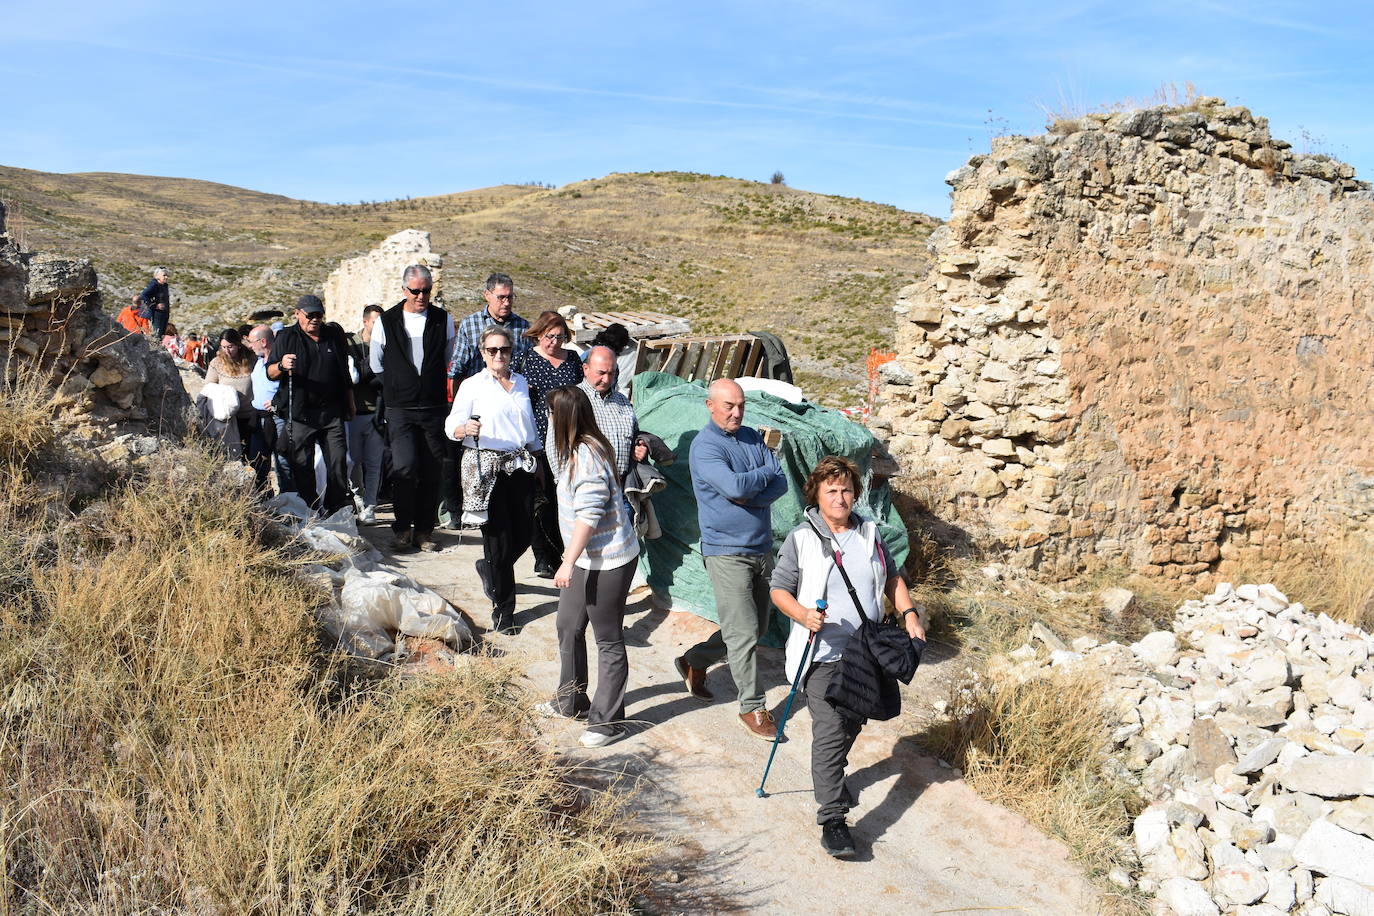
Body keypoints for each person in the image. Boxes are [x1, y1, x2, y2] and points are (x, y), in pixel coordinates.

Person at [770, 456, 926, 858]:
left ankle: (832, 779)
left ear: (856, 493)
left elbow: (892, 578)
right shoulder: (801, 539)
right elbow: (778, 589)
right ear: (816, 495)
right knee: (829, 731)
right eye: (831, 490)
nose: (840, 498)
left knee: (851, 723)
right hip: (820, 654)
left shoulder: (870, 533)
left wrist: (909, 613)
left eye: (846, 490)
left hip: (865, 651)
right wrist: (802, 614)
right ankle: (833, 819)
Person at [676, 378, 787, 740]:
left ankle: (695, 660)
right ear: (710, 406)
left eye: (741, 405)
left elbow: (780, 483)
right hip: (726, 552)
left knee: (756, 627)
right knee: (742, 632)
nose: (737, 413)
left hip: (760, 547)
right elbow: (738, 486)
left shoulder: (753, 437)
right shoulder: (705, 447)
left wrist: (749, 494)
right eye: (729, 406)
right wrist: (764, 473)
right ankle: (752, 706)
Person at [535, 386, 638, 747]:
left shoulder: (587, 456)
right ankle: (571, 700)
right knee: (568, 625)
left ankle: (608, 722)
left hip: (609, 560)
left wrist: (566, 563)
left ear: (563, 417)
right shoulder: (573, 449)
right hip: (585, 558)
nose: (547, 418)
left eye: (550, 413)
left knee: (607, 639)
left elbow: (589, 517)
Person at [445, 325, 539, 634]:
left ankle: (489, 569)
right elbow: (452, 422)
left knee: (524, 533)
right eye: (492, 350)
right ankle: (504, 610)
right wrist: (464, 429)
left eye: (504, 349)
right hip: (488, 468)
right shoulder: (472, 385)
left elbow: (530, 427)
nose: (499, 355)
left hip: (521, 464)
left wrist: (539, 459)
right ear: (483, 353)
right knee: (498, 540)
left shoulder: (522, 383)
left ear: (512, 351)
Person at [370, 267, 456, 552]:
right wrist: (399, 386)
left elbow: (448, 358)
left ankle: (424, 531)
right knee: (405, 468)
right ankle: (402, 528)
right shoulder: (386, 321)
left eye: (426, 290)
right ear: (404, 290)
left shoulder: (443, 319)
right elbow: (376, 363)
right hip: (400, 409)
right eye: (415, 291)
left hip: (433, 408)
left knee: (431, 470)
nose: (421, 296)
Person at [265, 295, 354, 515]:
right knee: (302, 466)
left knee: (339, 461)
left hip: (331, 412)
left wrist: (350, 403)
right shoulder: (287, 337)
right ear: (297, 314)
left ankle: (335, 507)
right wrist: (282, 365)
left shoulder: (333, 335)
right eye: (310, 315)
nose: (315, 319)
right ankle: (311, 511)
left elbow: (344, 373)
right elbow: (270, 373)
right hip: (300, 413)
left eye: (319, 315)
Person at [513, 310, 582, 578]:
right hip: (537, 439)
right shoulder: (525, 359)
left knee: (565, 498)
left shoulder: (573, 359)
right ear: (538, 334)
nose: (554, 342)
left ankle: (564, 553)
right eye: (549, 336)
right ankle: (543, 556)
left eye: (560, 337)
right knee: (541, 499)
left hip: (569, 438)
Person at [577, 346, 648, 484]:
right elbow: (555, 446)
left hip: (621, 485)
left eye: (611, 373)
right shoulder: (573, 398)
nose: (606, 379)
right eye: (601, 373)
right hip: (587, 486)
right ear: (586, 369)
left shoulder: (623, 401)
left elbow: (635, 435)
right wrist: (564, 483)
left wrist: (639, 447)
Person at [347, 304, 385, 524]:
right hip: (354, 413)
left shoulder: (387, 345)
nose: (379, 326)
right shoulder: (351, 344)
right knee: (352, 463)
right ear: (365, 322)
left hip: (376, 413)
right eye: (374, 322)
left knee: (374, 463)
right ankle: (359, 497)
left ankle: (370, 506)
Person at [248, 324, 292, 492]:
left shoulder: (280, 363)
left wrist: (277, 402)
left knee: (283, 460)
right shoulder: (259, 362)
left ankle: (288, 498)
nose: (250, 346)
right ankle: (264, 498)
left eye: (252, 342)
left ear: (263, 341)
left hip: (278, 417)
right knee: (258, 460)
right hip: (259, 417)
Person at [204, 328, 257, 462]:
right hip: (228, 420)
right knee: (233, 456)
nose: (227, 351)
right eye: (223, 347)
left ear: (238, 345)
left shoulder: (252, 359)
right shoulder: (217, 363)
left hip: (251, 416)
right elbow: (209, 387)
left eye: (230, 347)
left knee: (252, 456)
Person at [139, 267, 171, 339]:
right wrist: (155, 306)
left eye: (167, 275)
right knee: (156, 335)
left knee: (161, 336)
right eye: (164, 275)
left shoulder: (164, 285)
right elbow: (143, 295)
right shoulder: (154, 284)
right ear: (157, 276)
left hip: (164, 314)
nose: (166, 277)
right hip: (155, 314)